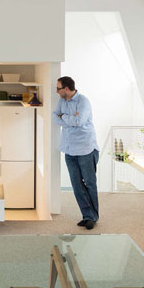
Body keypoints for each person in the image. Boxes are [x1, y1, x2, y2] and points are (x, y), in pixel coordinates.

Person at [54, 76, 99, 229]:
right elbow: (55, 117)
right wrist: (68, 119)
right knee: (77, 185)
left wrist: (64, 117)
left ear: (66, 89)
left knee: (90, 183)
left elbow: (78, 122)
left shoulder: (83, 102)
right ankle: (87, 215)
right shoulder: (62, 101)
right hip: (69, 149)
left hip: (86, 148)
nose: (56, 91)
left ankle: (92, 217)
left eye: (58, 88)